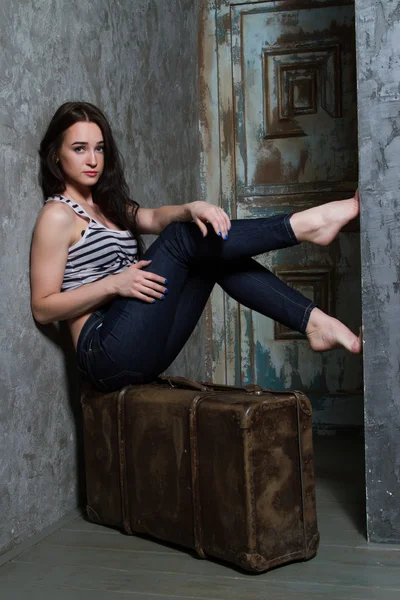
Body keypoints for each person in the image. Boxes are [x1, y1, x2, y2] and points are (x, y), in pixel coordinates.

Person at [30, 101, 362, 393]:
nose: (92, 159)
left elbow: (155, 217)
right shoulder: (57, 215)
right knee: (180, 239)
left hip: (144, 346)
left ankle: (314, 323)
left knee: (207, 252)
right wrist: (113, 284)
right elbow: (43, 308)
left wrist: (193, 208)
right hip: (102, 351)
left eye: (99, 148)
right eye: (79, 148)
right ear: (56, 155)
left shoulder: (108, 205)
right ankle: (304, 225)